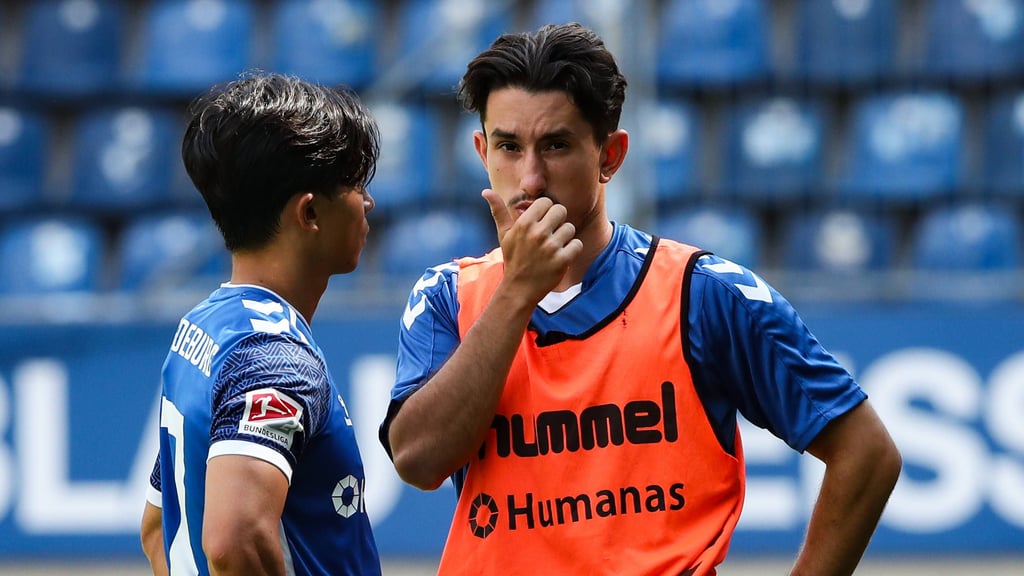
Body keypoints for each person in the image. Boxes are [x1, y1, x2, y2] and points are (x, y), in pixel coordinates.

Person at [379, 22, 902, 576]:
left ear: (611, 155)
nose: (529, 178)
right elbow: (418, 462)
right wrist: (517, 291)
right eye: (509, 146)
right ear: (482, 151)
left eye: (556, 145)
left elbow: (867, 454)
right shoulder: (446, 297)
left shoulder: (705, 294)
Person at [140, 73, 382, 576]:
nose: (368, 202)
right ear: (310, 212)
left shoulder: (204, 326)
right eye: (355, 185)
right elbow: (234, 539)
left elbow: (156, 528)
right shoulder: (273, 357)